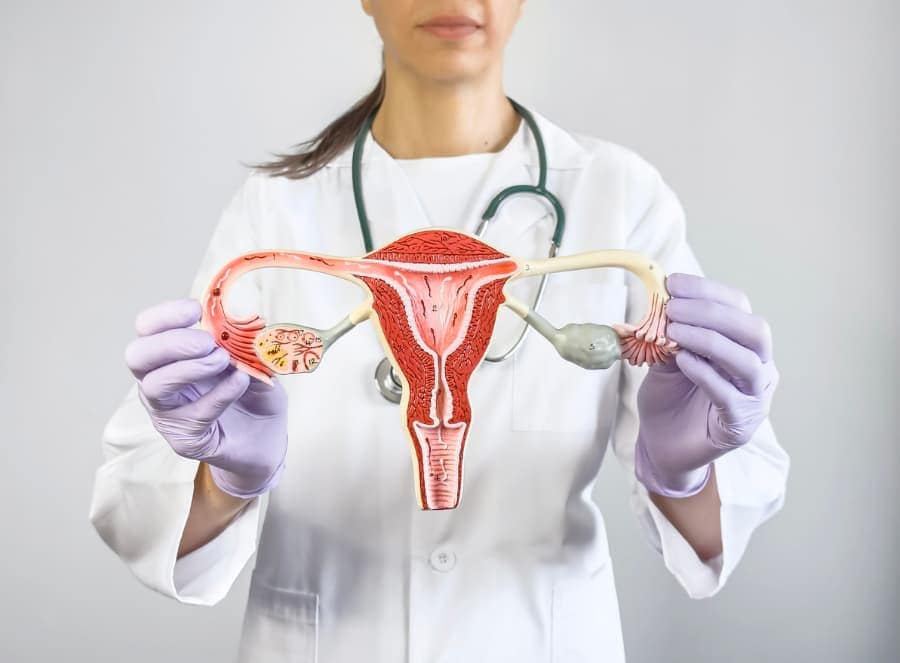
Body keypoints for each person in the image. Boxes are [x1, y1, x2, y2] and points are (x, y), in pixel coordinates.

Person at [89, 2, 790, 661]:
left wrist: (684, 471)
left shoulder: (620, 197)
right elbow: (146, 510)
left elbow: (715, 527)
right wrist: (223, 479)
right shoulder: (275, 214)